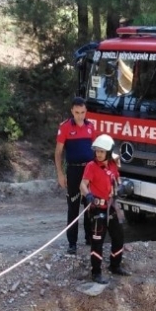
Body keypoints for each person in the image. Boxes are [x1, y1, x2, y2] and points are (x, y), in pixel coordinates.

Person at [80, 134, 129, 284]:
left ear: (108, 152)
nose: (98, 154)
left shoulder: (113, 165)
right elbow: (82, 184)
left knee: (119, 237)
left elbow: (117, 180)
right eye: (97, 151)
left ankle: (115, 265)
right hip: (98, 209)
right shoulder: (91, 166)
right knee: (97, 242)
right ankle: (96, 273)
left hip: (112, 207)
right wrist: (88, 194)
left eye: (102, 151)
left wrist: (121, 188)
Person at [55, 97, 96, 255]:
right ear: (72, 111)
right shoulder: (65, 127)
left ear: (86, 112)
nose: (80, 116)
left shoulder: (91, 127)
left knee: (89, 206)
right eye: (77, 112)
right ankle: (72, 243)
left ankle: (89, 238)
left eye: (83, 112)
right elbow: (58, 152)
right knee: (73, 207)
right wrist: (60, 173)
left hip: (89, 172)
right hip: (73, 171)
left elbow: (96, 151)